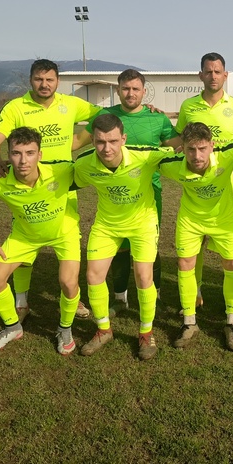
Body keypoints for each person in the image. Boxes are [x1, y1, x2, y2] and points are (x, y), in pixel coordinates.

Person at [0, 58, 100, 322]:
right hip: (26, 186)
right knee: (25, 243)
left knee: (68, 243)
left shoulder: (71, 104)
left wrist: (78, 141)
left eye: (49, 79)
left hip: (62, 186)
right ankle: (21, 301)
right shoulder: (16, 107)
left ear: (58, 81)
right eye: (39, 79)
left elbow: (102, 117)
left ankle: (72, 296)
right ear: (30, 80)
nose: (44, 84)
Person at [75, 69, 181, 316]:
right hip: (115, 194)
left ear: (144, 91)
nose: (130, 93)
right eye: (125, 88)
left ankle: (155, 296)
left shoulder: (157, 119)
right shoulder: (105, 117)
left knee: (149, 249)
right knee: (119, 247)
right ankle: (120, 298)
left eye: (135, 89)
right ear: (118, 90)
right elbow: (78, 142)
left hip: (149, 194)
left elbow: (178, 147)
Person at [157, 122, 233, 351]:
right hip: (190, 221)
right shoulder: (171, 163)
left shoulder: (228, 154)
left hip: (223, 220)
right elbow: (144, 157)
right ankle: (189, 322)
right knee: (185, 264)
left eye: (202, 149)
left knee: (232, 264)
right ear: (182, 148)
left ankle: (232, 322)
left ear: (212, 146)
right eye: (191, 149)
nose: (197, 156)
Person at [0, 127, 81, 355]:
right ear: (8, 155)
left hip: (64, 234)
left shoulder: (61, 170)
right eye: (16, 153)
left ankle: (65, 329)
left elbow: (98, 167)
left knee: (69, 283)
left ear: (40, 154)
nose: (23, 161)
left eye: (30, 153)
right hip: (24, 236)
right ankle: (12, 327)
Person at [73, 114, 174, 360]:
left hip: (143, 224)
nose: (106, 148)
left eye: (113, 141)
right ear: (92, 141)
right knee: (93, 276)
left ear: (124, 139)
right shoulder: (84, 164)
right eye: (100, 142)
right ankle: (103, 330)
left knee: (144, 276)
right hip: (107, 225)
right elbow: (59, 179)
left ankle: (146, 333)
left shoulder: (145, 155)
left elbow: (182, 153)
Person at [175, 53, 233, 308]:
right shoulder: (188, 106)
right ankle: (196, 290)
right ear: (201, 75)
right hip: (196, 189)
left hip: (228, 189)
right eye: (208, 72)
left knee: (229, 251)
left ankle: (231, 300)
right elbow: (179, 140)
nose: (213, 76)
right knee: (195, 246)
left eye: (217, 72)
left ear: (225, 75)